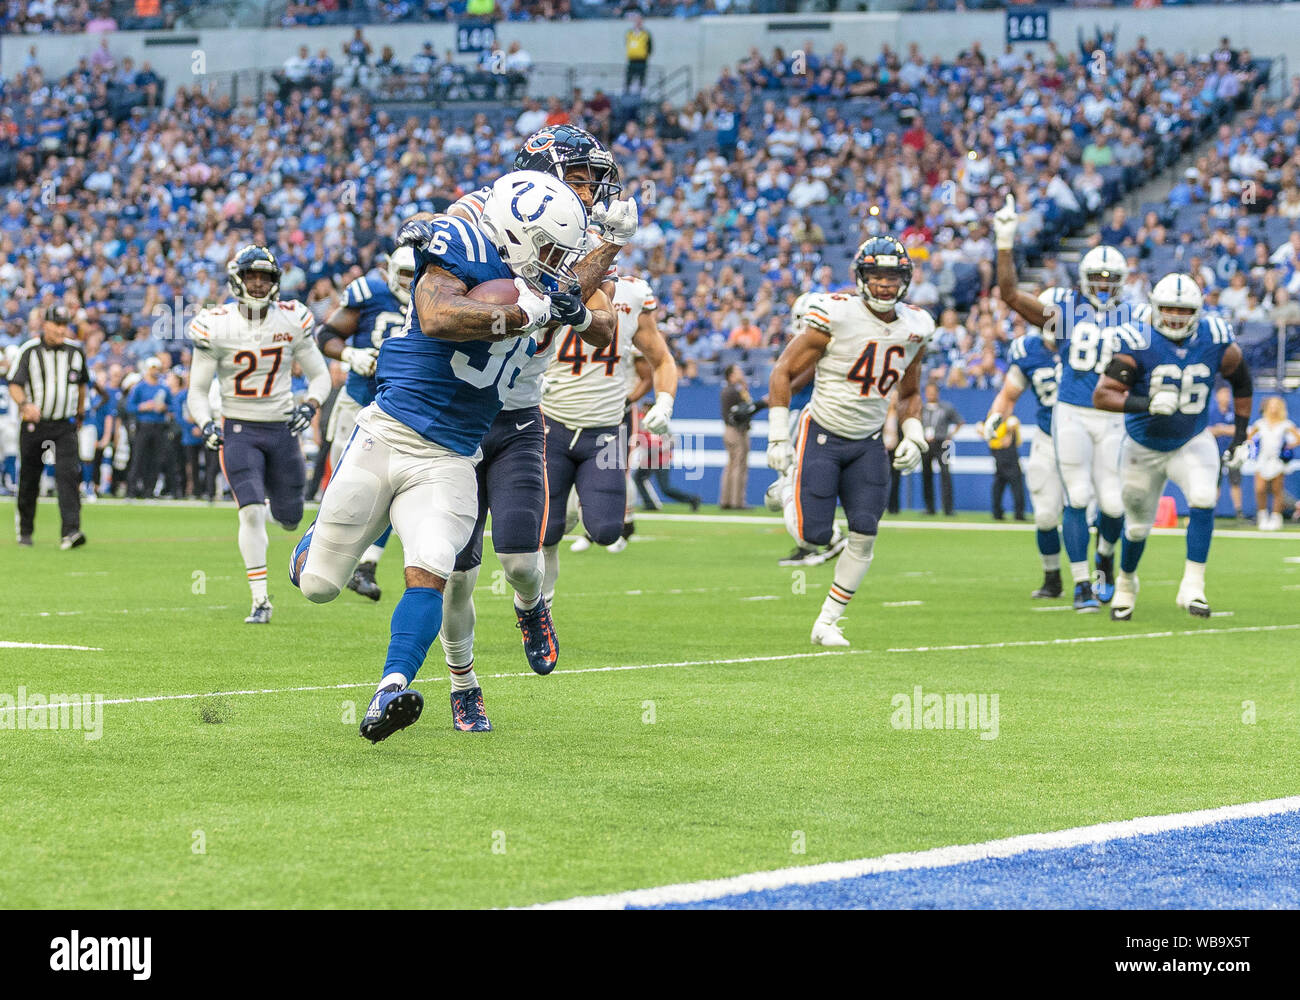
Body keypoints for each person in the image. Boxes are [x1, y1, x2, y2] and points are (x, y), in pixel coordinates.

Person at [290, 171, 590, 741]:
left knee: (432, 567)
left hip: (454, 456)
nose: (556, 262)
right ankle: (312, 545)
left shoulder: (540, 284)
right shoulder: (464, 248)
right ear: (521, 232)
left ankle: (389, 690)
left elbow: (584, 310)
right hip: (389, 433)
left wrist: (587, 271)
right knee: (320, 587)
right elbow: (438, 317)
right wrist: (524, 314)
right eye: (549, 246)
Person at [440, 127, 636, 688]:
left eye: (594, 181)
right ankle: (462, 686)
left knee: (522, 562)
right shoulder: (479, 212)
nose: (592, 193)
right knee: (457, 574)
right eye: (579, 178)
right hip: (457, 406)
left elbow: (601, 328)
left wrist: (580, 300)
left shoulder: (579, 240)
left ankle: (532, 608)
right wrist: (599, 255)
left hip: (520, 411)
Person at [766, 236, 935, 647]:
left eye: (893, 276)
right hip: (822, 431)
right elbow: (783, 371)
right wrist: (776, 434)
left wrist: (914, 433)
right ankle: (789, 488)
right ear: (861, 278)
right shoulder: (835, 314)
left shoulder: (916, 327)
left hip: (868, 442)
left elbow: (910, 392)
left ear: (906, 280)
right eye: (876, 275)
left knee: (865, 531)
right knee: (813, 536)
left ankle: (827, 621)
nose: (884, 284)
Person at [995, 194, 1135, 612]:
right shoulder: (1067, 311)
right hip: (1071, 412)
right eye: (1099, 278)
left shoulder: (1136, 315)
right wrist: (1005, 242)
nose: (1105, 286)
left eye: (1112, 279)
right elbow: (1009, 294)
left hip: (1112, 418)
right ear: (1085, 278)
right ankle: (1080, 584)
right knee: (1075, 497)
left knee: (1112, 503)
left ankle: (1104, 562)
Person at [1093, 273, 1253, 619]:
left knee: (1204, 497)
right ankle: (1125, 583)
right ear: (1154, 307)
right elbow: (1101, 395)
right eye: (1168, 308)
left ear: (1198, 310)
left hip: (1190, 438)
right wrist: (1145, 403)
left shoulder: (1215, 337)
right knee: (1136, 526)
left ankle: (1193, 586)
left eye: (1183, 309)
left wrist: (1240, 435)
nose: (1175, 316)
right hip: (1142, 445)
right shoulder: (1137, 340)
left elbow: (1242, 380)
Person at [187, 246, 332, 624]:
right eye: (252, 276)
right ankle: (260, 600)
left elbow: (320, 375)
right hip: (238, 428)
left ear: (275, 282)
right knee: (249, 511)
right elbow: (197, 390)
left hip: (283, 428)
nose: (257, 283)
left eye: (264, 277)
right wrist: (206, 422)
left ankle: (277, 514)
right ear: (238, 278)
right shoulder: (215, 323)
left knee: (289, 517)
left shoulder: (291, 318)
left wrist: (310, 405)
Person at [540, 271, 676, 600]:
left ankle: (571, 508)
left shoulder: (631, 295)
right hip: (550, 421)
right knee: (543, 534)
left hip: (607, 427)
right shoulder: (544, 283)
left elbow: (661, 358)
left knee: (605, 529)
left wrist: (665, 401)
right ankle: (539, 606)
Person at [315, 243, 418, 601]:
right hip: (359, 400)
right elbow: (325, 335)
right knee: (344, 484)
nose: (408, 282)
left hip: (399, 410)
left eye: (413, 274)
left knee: (391, 487)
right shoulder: (370, 293)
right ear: (388, 270)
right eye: (403, 274)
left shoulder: (435, 300)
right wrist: (349, 354)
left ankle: (366, 566)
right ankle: (322, 552)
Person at [983, 329, 1063, 597]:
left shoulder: (1088, 342)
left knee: (1097, 510)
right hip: (1049, 436)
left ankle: (1099, 576)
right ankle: (1052, 578)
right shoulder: (1029, 349)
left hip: (1091, 436)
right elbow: (1008, 394)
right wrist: (996, 416)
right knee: (1044, 515)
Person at [8, 305, 87, 549]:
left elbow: (82, 385)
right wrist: (24, 405)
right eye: (58, 325)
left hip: (64, 425)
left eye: (65, 325)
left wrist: (80, 412)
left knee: (68, 475)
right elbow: (14, 383)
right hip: (35, 425)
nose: (62, 330)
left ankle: (70, 532)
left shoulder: (76, 352)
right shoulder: (29, 350)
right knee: (30, 478)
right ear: (46, 325)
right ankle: (25, 530)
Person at [1248, 396, 1299, 531]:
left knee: (1277, 490)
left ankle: (1276, 517)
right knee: (1260, 489)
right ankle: (1262, 515)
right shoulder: (1260, 423)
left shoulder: (1286, 424)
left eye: (1276, 405)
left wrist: (1288, 446)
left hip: (1277, 460)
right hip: (1262, 460)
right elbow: (1250, 438)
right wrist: (1253, 447)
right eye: (1271, 405)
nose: (1274, 408)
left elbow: (1297, 438)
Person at [125, 357, 171, 499]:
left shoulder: (163, 387)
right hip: (143, 425)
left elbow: (172, 406)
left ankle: (149, 490)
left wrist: (164, 407)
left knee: (156, 459)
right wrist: (143, 406)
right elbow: (129, 407)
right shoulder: (140, 387)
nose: (154, 371)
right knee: (138, 458)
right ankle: (131, 490)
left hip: (159, 426)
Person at [920, 381, 960, 515]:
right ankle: (929, 508)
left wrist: (950, 435)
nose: (931, 394)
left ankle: (948, 508)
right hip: (926, 443)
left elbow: (960, 421)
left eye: (933, 391)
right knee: (926, 475)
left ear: (937, 393)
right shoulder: (921, 408)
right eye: (928, 391)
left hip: (942, 443)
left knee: (945, 474)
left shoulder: (946, 407)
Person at [1208, 385, 1245, 519]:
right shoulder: (1211, 411)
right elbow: (1207, 431)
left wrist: (1222, 429)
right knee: (1215, 482)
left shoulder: (1234, 412)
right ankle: (1210, 510)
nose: (1225, 397)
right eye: (1223, 394)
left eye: (1227, 394)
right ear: (1217, 396)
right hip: (1214, 451)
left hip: (1232, 451)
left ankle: (1239, 511)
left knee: (1235, 481)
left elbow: (1240, 430)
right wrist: (1224, 430)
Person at [719, 364, 752, 510]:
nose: (741, 373)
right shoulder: (734, 391)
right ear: (731, 375)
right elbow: (747, 408)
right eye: (738, 371)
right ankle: (737, 501)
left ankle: (726, 500)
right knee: (739, 466)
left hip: (729, 430)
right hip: (737, 431)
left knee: (731, 465)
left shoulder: (727, 391)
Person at [988, 414, 1026, 521]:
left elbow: (980, 428)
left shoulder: (993, 420)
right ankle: (1018, 514)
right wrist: (1008, 434)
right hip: (1008, 456)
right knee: (1016, 485)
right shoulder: (1005, 419)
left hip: (998, 455)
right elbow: (1012, 425)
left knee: (999, 485)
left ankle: (997, 513)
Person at [625, 13, 652, 93]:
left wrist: (645, 54)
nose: (638, 22)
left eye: (640, 20)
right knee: (629, 76)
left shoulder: (646, 33)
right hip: (632, 59)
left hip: (642, 60)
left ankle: (642, 92)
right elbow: (627, 43)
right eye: (637, 20)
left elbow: (650, 47)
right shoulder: (629, 33)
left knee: (642, 77)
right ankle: (627, 92)